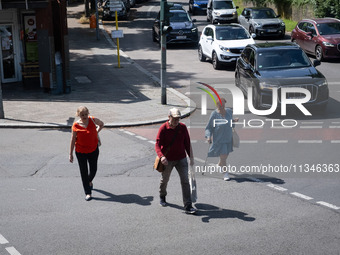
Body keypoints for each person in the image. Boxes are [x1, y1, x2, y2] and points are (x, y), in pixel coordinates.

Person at [155, 108, 197, 214]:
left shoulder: (182, 127)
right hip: (167, 160)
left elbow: (187, 142)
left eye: (178, 119)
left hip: (181, 158)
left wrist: (191, 157)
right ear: (169, 117)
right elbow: (157, 144)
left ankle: (188, 205)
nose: (176, 121)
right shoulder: (163, 128)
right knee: (165, 179)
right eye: (174, 119)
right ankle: (162, 196)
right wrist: (161, 156)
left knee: (185, 181)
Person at [69, 106, 104, 201]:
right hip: (80, 152)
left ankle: (88, 182)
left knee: (93, 169)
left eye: (85, 114)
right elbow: (72, 140)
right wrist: (70, 154)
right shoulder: (76, 125)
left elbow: (102, 124)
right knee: (83, 172)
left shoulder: (93, 120)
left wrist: (96, 131)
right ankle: (88, 192)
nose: (84, 116)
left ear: (88, 113)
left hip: (93, 150)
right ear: (78, 115)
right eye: (82, 115)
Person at [205, 98, 238, 181]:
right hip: (219, 140)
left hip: (228, 139)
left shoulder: (229, 111)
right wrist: (208, 136)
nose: (222, 106)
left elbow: (230, 122)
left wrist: (234, 121)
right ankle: (225, 173)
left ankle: (219, 165)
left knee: (225, 156)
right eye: (220, 105)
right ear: (217, 105)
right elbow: (209, 128)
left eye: (223, 104)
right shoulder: (214, 114)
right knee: (223, 156)